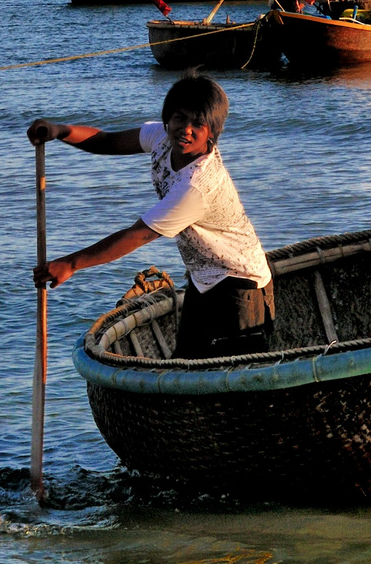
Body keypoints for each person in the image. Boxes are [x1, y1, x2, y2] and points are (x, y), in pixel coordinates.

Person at [29, 75, 273, 359]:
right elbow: (108, 141)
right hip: (204, 277)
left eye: (198, 124)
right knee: (186, 364)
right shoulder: (162, 137)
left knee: (234, 375)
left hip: (241, 286)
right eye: (180, 119)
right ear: (168, 118)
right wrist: (61, 131)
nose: (186, 130)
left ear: (213, 133)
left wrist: (71, 264)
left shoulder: (197, 187)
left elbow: (137, 234)